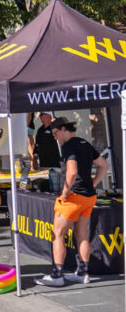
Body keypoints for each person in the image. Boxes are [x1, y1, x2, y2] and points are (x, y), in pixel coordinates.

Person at [35, 117, 109, 287]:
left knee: (57, 234)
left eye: (55, 134)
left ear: (62, 129)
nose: (55, 138)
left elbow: (72, 172)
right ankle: (83, 272)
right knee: (81, 235)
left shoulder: (68, 146)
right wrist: (94, 183)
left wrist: (64, 192)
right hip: (89, 197)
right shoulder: (84, 142)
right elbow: (103, 165)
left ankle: (57, 275)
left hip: (74, 196)